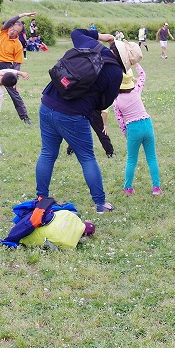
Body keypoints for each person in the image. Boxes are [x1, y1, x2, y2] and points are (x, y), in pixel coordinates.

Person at [34, 26, 124, 214]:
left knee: (47, 153)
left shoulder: (92, 45)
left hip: (48, 102)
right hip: (74, 115)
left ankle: (41, 198)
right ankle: (100, 204)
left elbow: (76, 32)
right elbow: (104, 103)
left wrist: (99, 36)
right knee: (87, 157)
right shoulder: (116, 73)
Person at [112, 41, 161, 196]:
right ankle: (156, 188)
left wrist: (126, 133)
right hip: (147, 123)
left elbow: (120, 121)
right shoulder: (136, 91)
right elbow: (143, 76)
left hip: (132, 127)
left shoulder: (116, 100)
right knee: (152, 158)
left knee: (131, 160)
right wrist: (135, 63)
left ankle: (128, 188)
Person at [0, 12, 37, 125]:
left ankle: (25, 117)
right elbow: (10, 20)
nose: (12, 31)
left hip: (6, 67)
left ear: (19, 33)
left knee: (14, 92)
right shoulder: (3, 33)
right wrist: (22, 15)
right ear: (10, 26)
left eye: (16, 31)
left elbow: (17, 63)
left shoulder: (18, 45)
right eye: (12, 29)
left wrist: (15, 79)